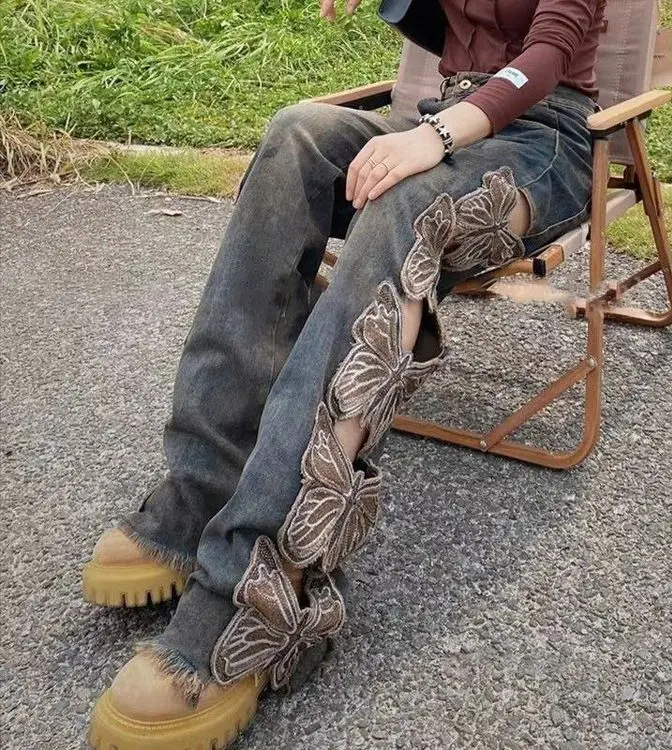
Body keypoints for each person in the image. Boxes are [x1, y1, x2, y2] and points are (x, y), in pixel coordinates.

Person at [84, 0, 606, 746]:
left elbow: (546, 55)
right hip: (451, 115)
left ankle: (258, 584)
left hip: (543, 144)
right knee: (297, 132)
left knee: (406, 204)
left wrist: (433, 138)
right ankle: (206, 484)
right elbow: (462, 35)